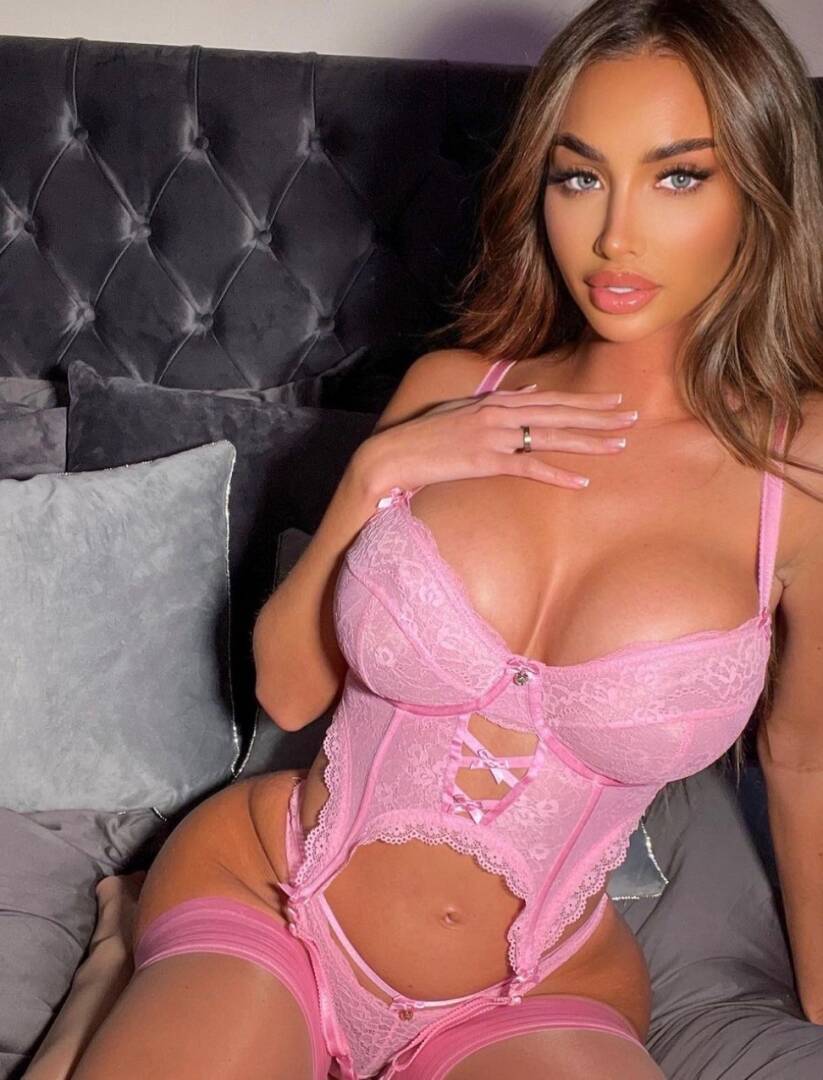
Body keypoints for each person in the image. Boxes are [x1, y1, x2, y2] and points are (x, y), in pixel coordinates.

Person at [54, 0, 823, 1077]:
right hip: (275, 891)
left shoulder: (798, 475)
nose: (614, 235)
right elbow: (287, 696)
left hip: (529, 987)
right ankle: (125, 953)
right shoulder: (454, 388)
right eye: (578, 176)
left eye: (678, 177)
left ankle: (111, 973)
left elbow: (801, 753)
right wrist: (375, 472)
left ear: (761, 190)